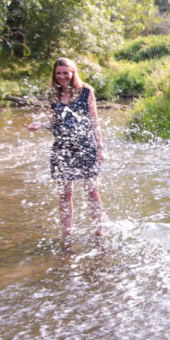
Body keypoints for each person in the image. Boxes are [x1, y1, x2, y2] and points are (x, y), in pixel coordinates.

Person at [28, 58, 105, 241]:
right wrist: (41, 125)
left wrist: (100, 147)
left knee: (92, 190)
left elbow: (95, 121)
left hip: (86, 145)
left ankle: (99, 230)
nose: (62, 77)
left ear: (73, 72)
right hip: (62, 148)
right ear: (54, 75)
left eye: (66, 73)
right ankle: (67, 234)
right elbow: (56, 123)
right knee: (65, 193)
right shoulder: (52, 95)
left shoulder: (85, 91)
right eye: (58, 73)